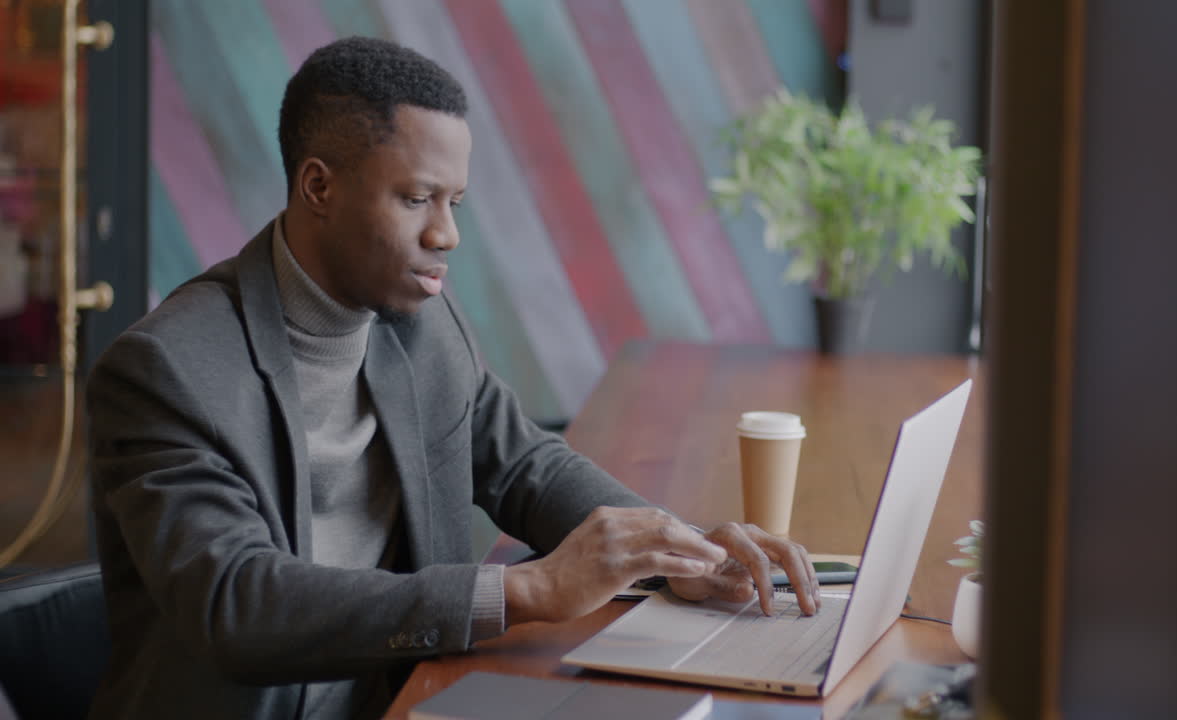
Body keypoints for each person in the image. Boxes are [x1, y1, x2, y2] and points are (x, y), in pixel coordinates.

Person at [86, 36, 819, 720]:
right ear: (318, 186)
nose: (447, 235)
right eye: (416, 200)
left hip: (400, 699)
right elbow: (238, 606)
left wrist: (678, 553)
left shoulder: (420, 323)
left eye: (454, 203)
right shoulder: (167, 372)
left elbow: (526, 466)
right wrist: (528, 589)